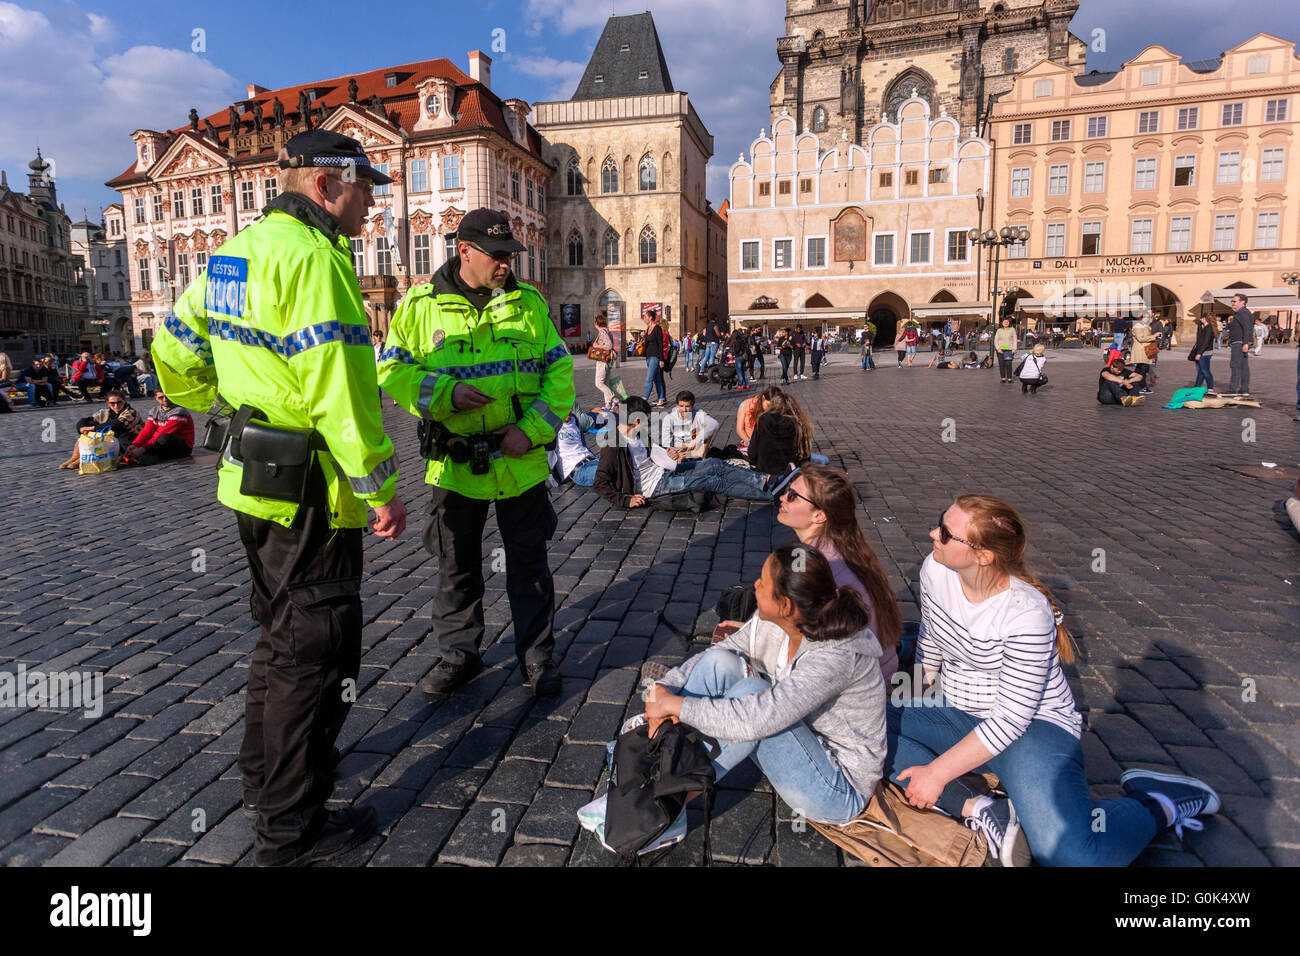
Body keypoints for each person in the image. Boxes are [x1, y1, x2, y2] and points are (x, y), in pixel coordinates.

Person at [152, 129, 407, 866]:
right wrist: (381, 488)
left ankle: (267, 782)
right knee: (315, 651)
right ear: (326, 185)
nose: (371, 203)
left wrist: (228, 405)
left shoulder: (236, 250)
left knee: (278, 636)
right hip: (311, 490)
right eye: (364, 187)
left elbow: (172, 345)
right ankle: (292, 828)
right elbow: (343, 392)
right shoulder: (315, 259)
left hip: (252, 477)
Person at [885, 495, 1220, 865]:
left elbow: (1011, 720)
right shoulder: (935, 568)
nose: (934, 533)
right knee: (858, 728)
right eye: (939, 522)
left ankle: (1156, 804)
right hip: (957, 712)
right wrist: (914, 692)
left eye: (947, 533)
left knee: (1074, 859)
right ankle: (981, 808)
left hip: (1032, 731)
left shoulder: (1025, 613)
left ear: (983, 556)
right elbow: (932, 638)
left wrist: (937, 771)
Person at [380, 205, 573, 702]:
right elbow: (392, 372)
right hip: (454, 464)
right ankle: (459, 655)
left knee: (529, 567)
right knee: (455, 566)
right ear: (464, 251)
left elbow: (560, 376)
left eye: (511, 254)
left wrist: (529, 432)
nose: (506, 263)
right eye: (497, 254)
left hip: (520, 464)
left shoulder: (528, 304)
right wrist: (443, 394)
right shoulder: (420, 307)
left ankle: (536, 654)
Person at [645, 544, 886, 826]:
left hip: (838, 788)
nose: (754, 586)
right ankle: (657, 754)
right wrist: (665, 689)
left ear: (785, 605)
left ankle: (661, 805)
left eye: (762, 583)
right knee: (720, 662)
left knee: (751, 695)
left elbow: (757, 718)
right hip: (801, 737)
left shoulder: (836, 655)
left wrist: (679, 706)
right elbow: (716, 654)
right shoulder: (779, 619)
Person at [593, 396, 775, 508]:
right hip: (655, 486)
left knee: (715, 464)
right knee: (714, 482)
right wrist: (626, 500)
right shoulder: (613, 444)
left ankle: (763, 480)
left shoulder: (638, 433)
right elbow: (600, 482)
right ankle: (772, 496)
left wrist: (667, 453)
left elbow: (651, 453)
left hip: (664, 471)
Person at [748, 390, 814, 477]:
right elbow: (805, 457)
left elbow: (752, 453)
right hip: (793, 474)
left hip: (765, 472)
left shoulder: (763, 419)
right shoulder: (799, 423)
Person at [121, 390, 194, 466]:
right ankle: (139, 455)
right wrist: (135, 445)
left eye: (167, 397)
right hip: (157, 442)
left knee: (164, 437)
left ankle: (147, 456)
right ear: (156, 398)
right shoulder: (154, 410)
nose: (165, 399)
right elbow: (147, 431)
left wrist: (142, 449)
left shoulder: (179, 411)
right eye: (161, 397)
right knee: (125, 437)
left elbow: (163, 432)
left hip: (178, 446)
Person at [660, 390, 719, 459]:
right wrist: (675, 453)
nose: (684, 410)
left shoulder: (697, 412)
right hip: (676, 449)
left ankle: (700, 457)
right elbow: (666, 443)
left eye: (687, 406)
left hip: (693, 447)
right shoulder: (669, 418)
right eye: (681, 406)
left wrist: (696, 440)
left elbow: (714, 424)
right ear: (677, 405)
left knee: (708, 428)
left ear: (692, 406)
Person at [735, 384, 781, 449]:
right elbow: (739, 429)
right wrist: (749, 442)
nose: (769, 409)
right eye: (768, 405)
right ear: (763, 398)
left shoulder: (778, 409)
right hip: (750, 443)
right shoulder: (745, 405)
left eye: (773, 407)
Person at [1226, 293, 1253, 396]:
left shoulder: (1242, 312)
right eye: (1232, 301)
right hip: (1240, 342)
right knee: (1243, 366)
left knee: (1235, 365)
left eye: (1234, 301)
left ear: (1242, 302)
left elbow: (1247, 328)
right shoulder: (1242, 312)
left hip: (1240, 343)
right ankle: (1244, 389)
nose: (1232, 303)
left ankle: (1233, 389)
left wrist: (1245, 343)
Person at [591, 312, 618, 413]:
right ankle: (607, 404)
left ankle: (614, 399)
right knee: (605, 382)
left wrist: (597, 346)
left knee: (599, 383)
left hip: (603, 360)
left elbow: (609, 345)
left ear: (596, 323)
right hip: (607, 360)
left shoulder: (602, 332)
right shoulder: (607, 331)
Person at [640, 310, 667, 406]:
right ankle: (661, 398)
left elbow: (660, 345)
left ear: (650, 317)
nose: (644, 318)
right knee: (657, 379)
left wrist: (661, 359)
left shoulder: (657, 328)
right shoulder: (647, 329)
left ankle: (644, 399)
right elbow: (647, 343)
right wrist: (643, 336)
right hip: (648, 357)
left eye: (645, 317)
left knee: (649, 378)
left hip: (655, 357)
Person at [1189, 315, 1217, 393]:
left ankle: (1210, 388)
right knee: (1201, 371)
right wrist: (1200, 328)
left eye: (1201, 318)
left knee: (1205, 371)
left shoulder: (1209, 328)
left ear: (1205, 319)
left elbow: (1205, 342)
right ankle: (1197, 387)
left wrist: (1199, 353)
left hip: (1205, 353)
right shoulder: (1204, 327)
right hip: (1201, 352)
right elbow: (1199, 340)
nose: (1200, 319)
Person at [727, 324, 751, 390]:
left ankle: (740, 385)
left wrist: (732, 353)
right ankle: (746, 384)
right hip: (744, 357)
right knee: (743, 372)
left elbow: (736, 350)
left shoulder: (736, 341)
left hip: (738, 357)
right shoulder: (742, 340)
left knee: (739, 372)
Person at [994, 317, 1017, 383]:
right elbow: (996, 340)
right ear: (1002, 323)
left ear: (1009, 323)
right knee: (1002, 364)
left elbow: (1015, 339)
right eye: (1004, 322)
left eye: (1007, 322)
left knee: (1009, 363)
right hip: (1000, 349)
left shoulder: (1012, 329)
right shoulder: (999, 330)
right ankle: (1003, 378)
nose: (1006, 323)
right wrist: (998, 348)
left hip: (1009, 349)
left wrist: (1014, 348)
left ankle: (1009, 378)